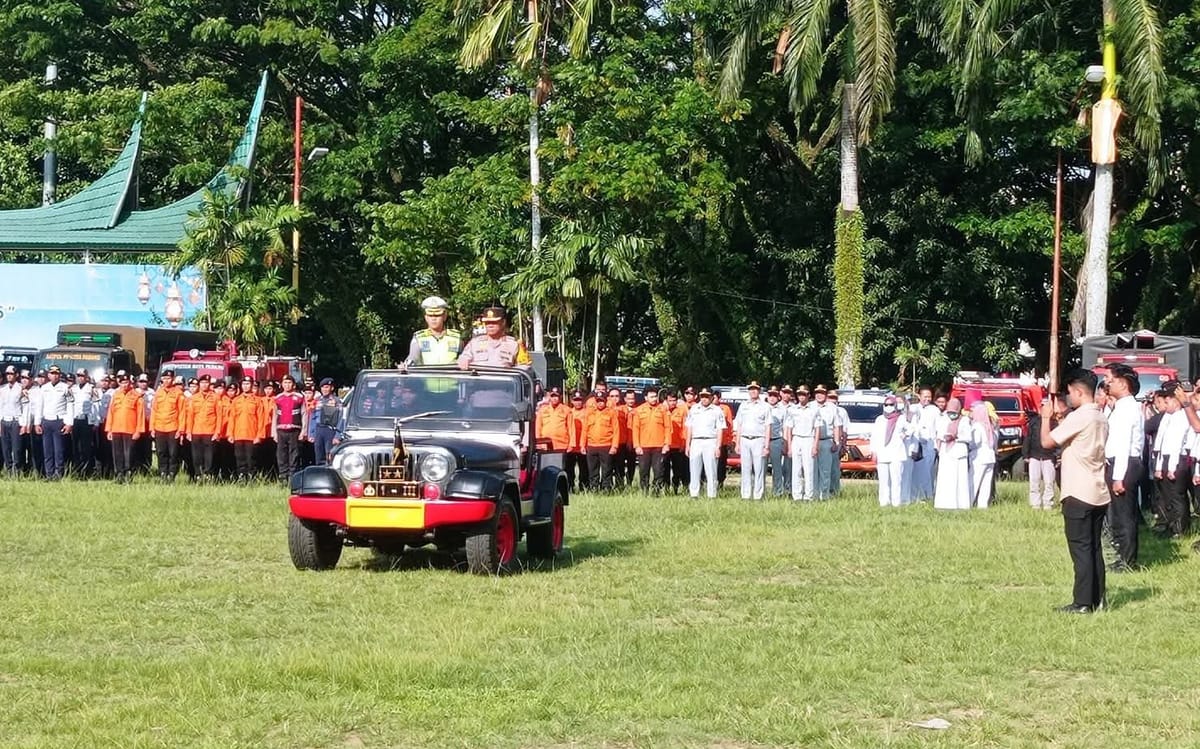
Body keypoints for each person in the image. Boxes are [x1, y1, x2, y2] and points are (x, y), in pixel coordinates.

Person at [1042, 369, 1110, 614]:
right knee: (1094, 548)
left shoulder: (1080, 416)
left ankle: (1082, 602)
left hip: (1078, 491)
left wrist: (1045, 418)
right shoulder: (1100, 416)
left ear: (1079, 392)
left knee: (1080, 549)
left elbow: (1047, 443)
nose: (1068, 397)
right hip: (1098, 491)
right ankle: (1098, 598)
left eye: (1070, 392)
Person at [1103, 363, 1145, 569]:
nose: (1106, 385)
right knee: (1118, 513)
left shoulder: (1127, 408)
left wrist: (1119, 476)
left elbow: (1123, 444)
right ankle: (1122, 555)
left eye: (1109, 381)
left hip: (1125, 463)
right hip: (1121, 462)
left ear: (1122, 382)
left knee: (1124, 514)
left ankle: (1128, 560)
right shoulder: (1121, 407)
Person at [1152, 387, 1190, 540]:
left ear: (1176, 401)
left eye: (1167, 402)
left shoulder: (1182, 417)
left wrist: (1172, 467)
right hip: (1166, 458)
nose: (1165, 406)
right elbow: (1162, 444)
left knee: (1176, 496)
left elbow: (1176, 444)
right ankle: (1170, 524)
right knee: (1167, 495)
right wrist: (1160, 466)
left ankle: (1180, 529)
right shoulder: (1170, 417)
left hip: (1177, 459)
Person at [32, 365, 74, 480]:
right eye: (52, 373)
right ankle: (49, 473)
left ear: (59, 375)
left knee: (59, 450)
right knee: (47, 450)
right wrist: (37, 423)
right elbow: (39, 406)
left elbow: (70, 406)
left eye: (57, 373)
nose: (54, 375)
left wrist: (69, 423)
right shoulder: (44, 388)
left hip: (59, 420)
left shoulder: (65, 388)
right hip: (46, 421)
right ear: (48, 375)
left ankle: (58, 474)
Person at [457, 306, 532, 369]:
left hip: (504, 384)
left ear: (503, 322)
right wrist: (463, 361)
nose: (490, 325)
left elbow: (524, 367)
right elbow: (463, 359)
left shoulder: (515, 344)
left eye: (494, 322)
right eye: (487, 322)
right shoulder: (474, 343)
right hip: (478, 384)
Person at [934, 397, 974, 510]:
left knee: (959, 480)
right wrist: (945, 437)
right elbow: (939, 434)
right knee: (945, 479)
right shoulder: (943, 419)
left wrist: (956, 437)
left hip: (958, 453)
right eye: (950, 412)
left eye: (954, 412)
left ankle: (960, 505)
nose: (952, 414)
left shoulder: (964, 420)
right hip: (946, 453)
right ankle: (944, 504)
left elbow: (968, 437)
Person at [732, 382, 771, 500]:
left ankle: (758, 495)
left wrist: (766, 446)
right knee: (745, 468)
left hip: (759, 439)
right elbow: (739, 424)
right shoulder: (743, 405)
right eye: (751, 389)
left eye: (755, 389)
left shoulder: (765, 406)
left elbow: (768, 427)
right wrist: (737, 443)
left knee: (759, 469)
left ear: (759, 391)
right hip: (744, 439)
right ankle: (745, 494)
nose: (753, 391)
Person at [871, 395, 911, 507]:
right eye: (886, 405)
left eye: (891, 405)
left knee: (896, 480)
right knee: (883, 481)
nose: (888, 407)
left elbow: (911, 429)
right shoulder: (879, 419)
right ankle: (884, 502)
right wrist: (874, 451)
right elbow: (874, 436)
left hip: (896, 453)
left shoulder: (901, 418)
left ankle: (896, 503)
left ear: (895, 405)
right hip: (882, 453)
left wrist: (904, 435)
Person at [104, 372, 145, 484]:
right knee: (117, 454)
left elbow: (140, 415)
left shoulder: (136, 396)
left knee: (129, 454)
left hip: (130, 430)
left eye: (126, 382)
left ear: (130, 383)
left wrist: (138, 431)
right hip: (116, 429)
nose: (124, 385)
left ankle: (128, 474)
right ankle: (119, 474)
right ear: (119, 383)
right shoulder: (116, 395)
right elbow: (111, 413)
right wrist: (109, 430)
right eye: (122, 382)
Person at [685, 388, 725, 498]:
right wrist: (687, 445)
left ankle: (711, 495)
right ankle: (694, 494)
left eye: (707, 396)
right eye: (702, 396)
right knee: (694, 469)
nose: (704, 399)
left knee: (711, 470)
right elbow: (689, 427)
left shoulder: (717, 410)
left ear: (711, 397)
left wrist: (718, 446)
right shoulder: (694, 408)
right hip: (696, 441)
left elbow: (720, 429)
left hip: (710, 441)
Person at [631, 386, 670, 494]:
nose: (654, 399)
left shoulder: (663, 409)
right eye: (651, 397)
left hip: (659, 447)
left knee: (658, 471)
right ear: (645, 397)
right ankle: (644, 491)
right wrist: (637, 446)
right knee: (643, 471)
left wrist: (666, 444)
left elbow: (668, 427)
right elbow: (635, 429)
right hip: (643, 447)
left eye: (655, 397)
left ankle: (656, 492)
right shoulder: (639, 410)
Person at [405, 296, 463, 366]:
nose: (433, 319)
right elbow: (413, 358)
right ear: (426, 317)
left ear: (444, 316)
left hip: (450, 375)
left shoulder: (456, 337)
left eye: (437, 315)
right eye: (430, 315)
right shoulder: (419, 338)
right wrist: (405, 365)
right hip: (426, 375)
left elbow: (464, 358)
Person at [185, 375, 223, 481]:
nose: (204, 385)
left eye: (206, 383)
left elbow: (219, 416)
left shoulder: (215, 397)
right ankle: (198, 474)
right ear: (199, 384)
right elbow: (190, 416)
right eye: (202, 383)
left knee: (209, 456)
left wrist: (217, 432)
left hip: (210, 431)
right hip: (196, 431)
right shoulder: (194, 398)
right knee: (196, 455)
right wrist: (188, 431)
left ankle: (208, 474)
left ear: (209, 384)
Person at [150, 370, 186, 483]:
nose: (166, 381)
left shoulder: (178, 393)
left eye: (168, 378)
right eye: (164, 378)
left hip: (173, 428)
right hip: (159, 427)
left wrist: (181, 430)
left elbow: (182, 412)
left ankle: (171, 474)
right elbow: (154, 411)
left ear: (173, 379)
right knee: (161, 452)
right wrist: (152, 428)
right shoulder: (158, 392)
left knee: (173, 453)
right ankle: (163, 473)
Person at [784, 386, 818, 501]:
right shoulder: (792, 410)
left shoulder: (814, 409)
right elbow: (788, 428)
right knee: (796, 469)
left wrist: (815, 445)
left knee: (808, 469)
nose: (801, 397)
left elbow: (817, 428)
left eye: (804, 394)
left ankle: (809, 496)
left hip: (809, 438)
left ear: (808, 395)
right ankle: (797, 496)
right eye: (799, 394)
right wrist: (789, 446)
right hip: (796, 438)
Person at [1023, 400, 1058, 510]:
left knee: (1049, 482)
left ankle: (1048, 504)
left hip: (1049, 456)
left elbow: (1057, 441)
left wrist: (1057, 456)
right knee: (1034, 481)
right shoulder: (1034, 422)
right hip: (1034, 456)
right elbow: (1028, 438)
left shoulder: (1054, 423)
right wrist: (1025, 454)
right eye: (1042, 406)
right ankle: (1035, 504)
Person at [582, 392, 620, 491]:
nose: (600, 404)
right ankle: (594, 488)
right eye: (598, 401)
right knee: (592, 470)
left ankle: (606, 489)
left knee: (607, 470)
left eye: (602, 401)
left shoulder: (611, 413)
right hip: (591, 446)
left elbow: (616, 431)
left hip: (606, 445)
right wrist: (582, 445)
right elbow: (585, 430)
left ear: (606, 401)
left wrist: (614, 446)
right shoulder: (590, 413)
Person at [274, 375, 307, 482]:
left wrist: (304, 431)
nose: (287, 385)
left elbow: (304, 414)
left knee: (294, 454)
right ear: (282, 385)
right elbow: (275, 416)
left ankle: (293, 477)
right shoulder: (278, 398)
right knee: (281, 455)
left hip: (295, 430)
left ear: (293, 385)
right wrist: (273, 432)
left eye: (289, 383)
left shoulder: (299, 398)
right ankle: (283, 477)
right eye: (285, 383)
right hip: (281, 430)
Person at [911, 387, 940, 499]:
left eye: (929, 397)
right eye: (925, 396)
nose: (927, 399)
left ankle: (927, 495)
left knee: (928, 472)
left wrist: (937, 447)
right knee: (915, 472)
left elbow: (938, 428)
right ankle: (914, 495)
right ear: (919, 396)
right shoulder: (913, 408)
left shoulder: (934, 410)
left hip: (929, 445)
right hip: (916, 445)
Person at [968, 397, 997, 508]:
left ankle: (969, 503)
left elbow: (975, 442)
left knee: (974, 482)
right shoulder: (989, 426)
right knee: (986, 484)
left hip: (979, 457)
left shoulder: (977, 426)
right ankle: (982, 506)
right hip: (990, 458)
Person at [811, 385, 840, 499]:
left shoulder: (832, 407)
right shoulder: (810, 406)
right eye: (817, 392)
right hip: (812, 441)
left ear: (826, 394)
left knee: (825, 470)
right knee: (812, 469)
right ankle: (814, 494)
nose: (819, 394)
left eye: (822, 392)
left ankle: (824, 495)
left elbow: (836, 425)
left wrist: (836, 441)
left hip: (826, 441)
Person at [70, 368, 96, 478]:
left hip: (86, 420)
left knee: (85, 447)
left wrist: (95, 422)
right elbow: (70, 404)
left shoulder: (91, 388)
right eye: (78, 375)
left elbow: (95, 406)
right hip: (75, 420)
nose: (80, 377)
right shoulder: (73, 389)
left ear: (86, 377)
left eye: (82, 376)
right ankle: (77, 471)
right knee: (75, 447)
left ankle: (86, 471)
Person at [1, 365, 25, 476]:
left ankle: (17, 472)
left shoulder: (21, 388)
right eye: (7, 374)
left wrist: (24, 424)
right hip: (4, 421)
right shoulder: (2, 389)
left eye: (11, 374)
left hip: (16, 421)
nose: (9, 376)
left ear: (16, 375)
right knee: (5, 448)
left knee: (17, 449)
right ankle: (9, 471)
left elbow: (25, 407)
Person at [312, 378, 343, 466]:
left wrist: (338, 435)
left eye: (326, 387)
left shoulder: (337, 401)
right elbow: (313, 417)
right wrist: (311, 433)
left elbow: (341, 419)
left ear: (332, 388)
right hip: (319, 430)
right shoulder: (317, 400)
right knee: (318, 454)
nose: (324, 390)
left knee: (330, 455)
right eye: (323, 387)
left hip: (330, 430)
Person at [664, 390, 689, 494]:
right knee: (664, 469)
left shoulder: (682, 411)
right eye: (670, 400)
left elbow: (685, 428)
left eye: (674, 400)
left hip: (678, 446)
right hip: (665, 446)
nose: (672, 403)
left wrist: (683, 444)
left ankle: (675, 489)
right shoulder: (662, 410)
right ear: (666, 400)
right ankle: (665, 489)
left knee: (677, 470)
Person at [565, 390, 589, 491]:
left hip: (583, 446)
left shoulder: (587, 413)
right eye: (576, 400)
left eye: (580, 400)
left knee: (584, 469)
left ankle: (583, 487)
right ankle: (570, 487)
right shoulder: (569, 412)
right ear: (572, 401)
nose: (578, 402)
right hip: (571, 446)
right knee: (569, 469)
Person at [766, 387, 789, 496]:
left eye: (774, 395)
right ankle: (760, 492)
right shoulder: (762, 407)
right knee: (760, 467)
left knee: (777, 468)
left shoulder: (782, 409)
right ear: (767, 396)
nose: (772, 398)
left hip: (776, 440)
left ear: (778, 396)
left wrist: (785, 444)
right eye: (770, 395)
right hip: (763, 440)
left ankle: (778, 492)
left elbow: (785, 428)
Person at [536, 387, 573, 451]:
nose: (554, 398)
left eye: (556, 396)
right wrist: (538, 442)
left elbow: (571, 429)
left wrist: (571, 444)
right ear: (549, 397)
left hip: (562, 445)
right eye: (552, 396)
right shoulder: (542, 410)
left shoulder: (567, 410)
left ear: (560, 397)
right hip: (545, 445)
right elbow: (538, 428)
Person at [713, 390, 734, 485]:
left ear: (719, 398)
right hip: (711, 441)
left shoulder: (725, 409)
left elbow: (730, 425)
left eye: (714, 398)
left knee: (721, 465)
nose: (712, 400)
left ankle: (720, 483)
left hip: (723, 442)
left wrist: (730, 440)